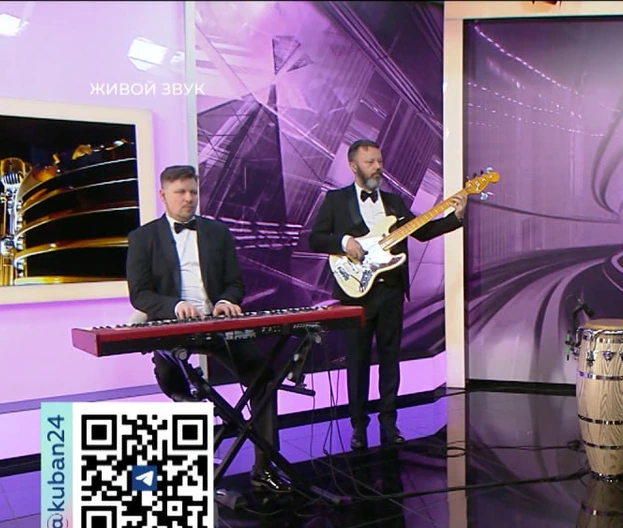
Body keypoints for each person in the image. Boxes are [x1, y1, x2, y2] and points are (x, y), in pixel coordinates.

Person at [125, 165, 291, 494]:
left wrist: (226, 300)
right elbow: (140, 294)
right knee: (173, 378)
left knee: (264, 378)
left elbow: (235, 283)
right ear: (163, 196)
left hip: (217, 322)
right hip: (173, 325)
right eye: (180, 192)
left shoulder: (217, 232)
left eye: (193, 192)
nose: (189, 198)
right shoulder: (143, 238)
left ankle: (264, 469)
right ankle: (188, 467)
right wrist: (174, 306)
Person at [308, 139, 467, 450]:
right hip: (356, 294)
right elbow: (315, 238)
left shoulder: (394, 202)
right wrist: (344, 242)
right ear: (353, 166)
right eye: (370, 162)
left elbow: (421, 232)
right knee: (357, 362)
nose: (378, 167)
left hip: (391, 291)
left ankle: (389, 422)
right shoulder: (336, 200)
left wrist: (456, 217)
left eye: (380, 161)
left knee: (390, 359)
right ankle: (358, 426)